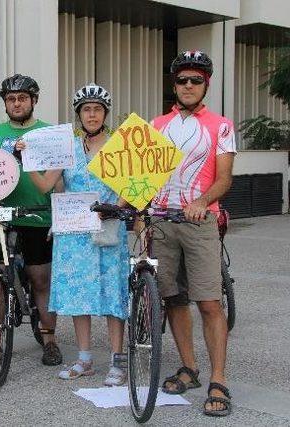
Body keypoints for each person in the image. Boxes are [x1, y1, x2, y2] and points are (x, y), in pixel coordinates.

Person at [16, 84, 129, 385]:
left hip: (107, 228)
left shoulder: (119, 145)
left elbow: (132, 187)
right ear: (79, 115)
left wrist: (115, 207)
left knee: (111, 294)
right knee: (81, 295)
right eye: (86, 110)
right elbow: (45, 185)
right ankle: (85, 359)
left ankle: (118, 360)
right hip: (76, 232)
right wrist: (27, 160)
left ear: (105, 113)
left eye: (97, 109)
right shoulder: (67, 148)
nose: (92, 114)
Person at [151, 50, 236, 417]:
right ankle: (190, 368)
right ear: (174, 85)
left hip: (200, 221)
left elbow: (224, 178)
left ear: (206, 84)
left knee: (210, 303)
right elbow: (142, 177)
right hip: (161, 219)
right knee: (172, 298)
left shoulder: (221, 125)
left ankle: (219, 379)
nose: (188, 85)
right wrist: (137, 213)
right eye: (182, 80)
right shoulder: (155, 125)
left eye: (196, 80)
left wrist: (202, 201)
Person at [0, 74, 62, 366]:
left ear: (33, 100)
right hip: (1, 216)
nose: (16, 103)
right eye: (11, 99)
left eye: (22, 98)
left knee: (41, 280)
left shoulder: (47, 132)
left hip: (38, 216)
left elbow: (59, 177)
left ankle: (50, 339)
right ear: (5, 103)